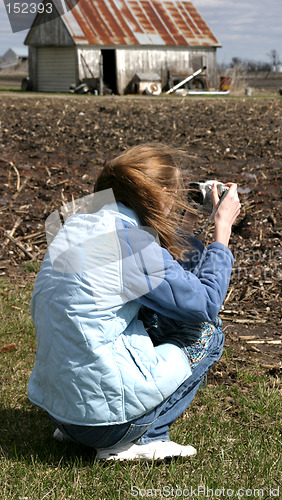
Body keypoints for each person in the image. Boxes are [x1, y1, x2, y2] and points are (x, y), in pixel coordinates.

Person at [28, 144, 241, 462]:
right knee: (208, 331)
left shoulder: (76, 225)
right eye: (175, 194)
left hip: (60, 412)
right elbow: (204, 303)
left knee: (153, 312)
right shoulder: (130, 243)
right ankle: (145, 437)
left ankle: (84, 425)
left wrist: (192, 218)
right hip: (104, 427)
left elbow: (165, 277)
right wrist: (221, 232)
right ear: (163, 194)